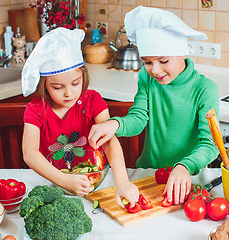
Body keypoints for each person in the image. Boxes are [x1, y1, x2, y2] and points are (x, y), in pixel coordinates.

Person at [88, 6, 219, 205]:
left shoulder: (205, 89)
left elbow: (210, 143)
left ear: (183, 54)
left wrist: (184, 166)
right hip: (148, 173)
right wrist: (115, 124)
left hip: (188, 178)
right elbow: (138, 118)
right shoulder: (146, 78)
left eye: (163, 60)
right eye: (147, 62)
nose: (155, 70)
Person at [21, 27, 139, 206]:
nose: (69, 93)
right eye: (58, 88)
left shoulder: (93, 101)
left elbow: (108, 140)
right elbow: (29, 153)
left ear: (83, 76)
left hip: (95, 183)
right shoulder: (36, 109)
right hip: (55, 186)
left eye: (75, 83)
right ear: (44, 86)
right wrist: (63, 180)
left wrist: (122, 181)